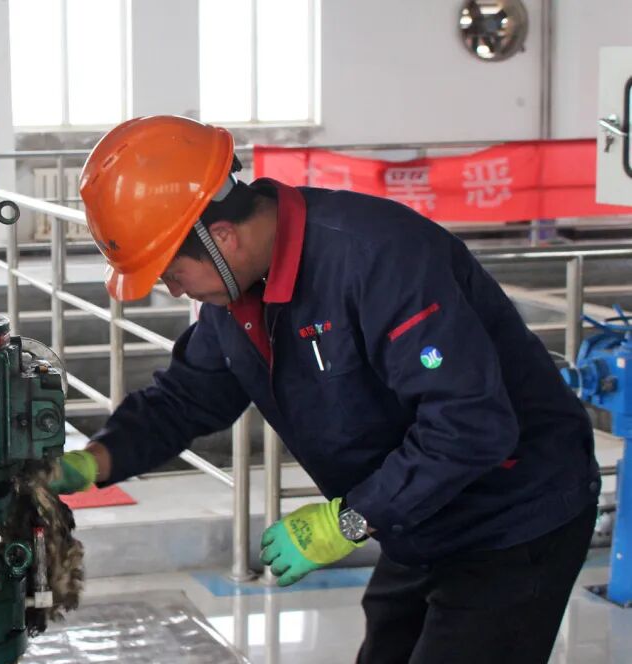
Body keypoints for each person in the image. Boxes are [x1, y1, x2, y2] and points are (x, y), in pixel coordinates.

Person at [49, 115, 600, 663]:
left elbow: (470, 425)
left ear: (221, 239)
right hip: (417, 515)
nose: (173, 291)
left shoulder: (377, 258)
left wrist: (348, 521)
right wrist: (93, 462)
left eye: (172, 274)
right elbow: (186, 398)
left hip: (511, 515)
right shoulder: (235, 294)